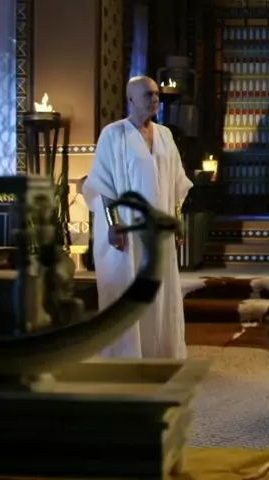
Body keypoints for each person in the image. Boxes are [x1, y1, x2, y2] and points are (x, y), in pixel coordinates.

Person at [82, 76, 192, 360]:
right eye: (147, 95)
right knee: (127, 287)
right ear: (130, 99)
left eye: (156, 94)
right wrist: (112, 223)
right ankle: (125, 356)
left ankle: (161, 353)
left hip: (159, 230)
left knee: (160, 288)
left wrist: (177, 221)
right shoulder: (113, 134)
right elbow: (103, 184)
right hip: (127, 231)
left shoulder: (165, 135)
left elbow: (177, 184)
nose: (154, 99)